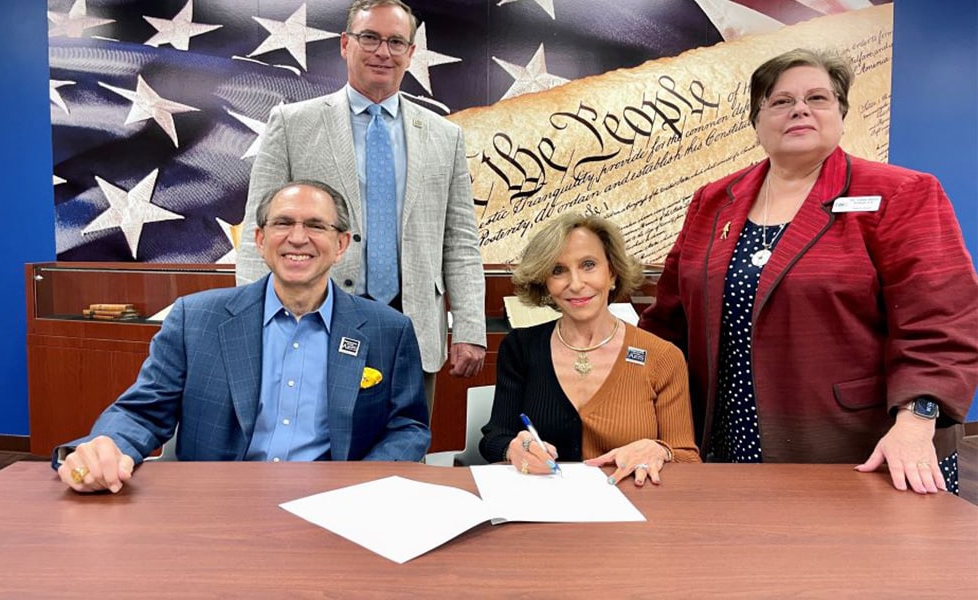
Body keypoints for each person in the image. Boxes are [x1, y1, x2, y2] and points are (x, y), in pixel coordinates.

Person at [639, 48, 978, 495]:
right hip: (724, 439)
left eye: (817, 98)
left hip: (862, 446)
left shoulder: (901, 193)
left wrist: (917, 422)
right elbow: (668, 322)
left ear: (841, 113)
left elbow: (943, 324)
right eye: (780, 101)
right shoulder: (712, 200)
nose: (799, 108)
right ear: (756, 122)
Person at [55, 181, 430, 493]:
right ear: (261, 239)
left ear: (342, 244)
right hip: (216, 506)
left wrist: (360, 486)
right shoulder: (195, 319)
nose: (298, 238)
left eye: (316, 225)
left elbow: (408, 427)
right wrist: (107, 446)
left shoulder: (388, 329)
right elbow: (142, 412)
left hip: (334, 507)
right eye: (283, 223)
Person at [236, 0, 486, 417]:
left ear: (410, 52)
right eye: (369, 38)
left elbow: (460, 240)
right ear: (344, 44)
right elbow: (257, 231)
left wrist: (469, 326)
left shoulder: (446, 136)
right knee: (312, 453)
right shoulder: (292, 123)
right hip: (311, 320)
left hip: (413, 330)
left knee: (404, 455)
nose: (382, 52)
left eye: (395, 41)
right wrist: (250, 321)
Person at [479, 213, 699, 486]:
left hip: (634, 512)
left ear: (613, 273)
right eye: (558, 270)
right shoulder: (520, 348)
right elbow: (494, 438)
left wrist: (661, 450)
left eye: (588, 265)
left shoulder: (663, 357)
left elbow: (687, 458)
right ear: (545, 283)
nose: (575, 283)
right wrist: (512, 448)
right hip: (544, 511)